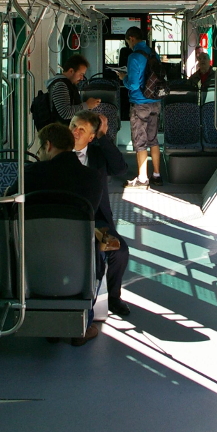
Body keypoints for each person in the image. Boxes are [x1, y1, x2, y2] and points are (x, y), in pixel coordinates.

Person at [12, 122, 104, 346]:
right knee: (100, 255)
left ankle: (47, 322)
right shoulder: (93, 178)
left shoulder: (29, 174)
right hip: (76, 258)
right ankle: (83, 325)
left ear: (48, 145)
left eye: (41, 150)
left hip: (32, 255)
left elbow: (9, 206)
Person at [69, 110, 131, 317]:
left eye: (82, 130)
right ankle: (82, 302)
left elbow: (120, 168)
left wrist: (104, 137)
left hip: (96, 222)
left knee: (119, 251)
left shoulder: (97, 154)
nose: (75, 132)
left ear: (91, 137)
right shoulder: (57, 152)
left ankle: (113, 297)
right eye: (73, 126)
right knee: (91, 255)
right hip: (66, 221)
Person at [118, 26, 163, 188]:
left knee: (140, 141)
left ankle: (143, 178)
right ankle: (157, 175)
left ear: (131, 38)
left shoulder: (134, 56)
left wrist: (123, 78)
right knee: (153, 139)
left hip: (140, 103)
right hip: (155, 102)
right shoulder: (153, 53)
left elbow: (133, 84)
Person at [49, 53, 101, 125]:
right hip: (61, 131)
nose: (82, 78)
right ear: (71, 71)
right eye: (81, 74)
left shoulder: (68, 85)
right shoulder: (61, 85)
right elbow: (65, 113)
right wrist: (87, 105)